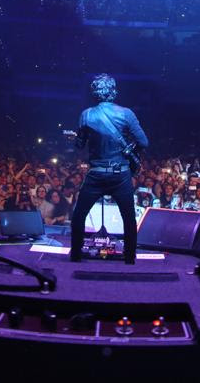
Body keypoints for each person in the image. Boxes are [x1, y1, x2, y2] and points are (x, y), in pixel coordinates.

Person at [69, 74, 148, 264]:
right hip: (121, 174)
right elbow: (143, 142)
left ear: (95, 92)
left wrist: (74, 137)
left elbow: (79, 145)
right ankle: (130, 258)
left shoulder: (86, 114)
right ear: (113, 91)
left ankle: (76, 255)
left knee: (79, 215)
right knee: (128, 218)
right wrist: (129, 150)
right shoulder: (126, 113)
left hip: (96, 174)